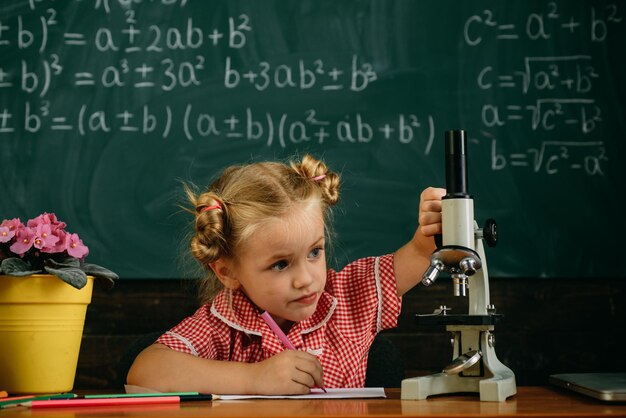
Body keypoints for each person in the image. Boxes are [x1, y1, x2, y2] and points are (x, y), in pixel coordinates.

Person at [127, 154, 445, 395]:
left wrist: (433, 228)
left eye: (315, 252)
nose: (305, 278)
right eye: (280, 264)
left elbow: (420, 253)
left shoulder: (350, 296)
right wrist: (255, 378)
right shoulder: (221, 323)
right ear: (227, 272)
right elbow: (144, 372)